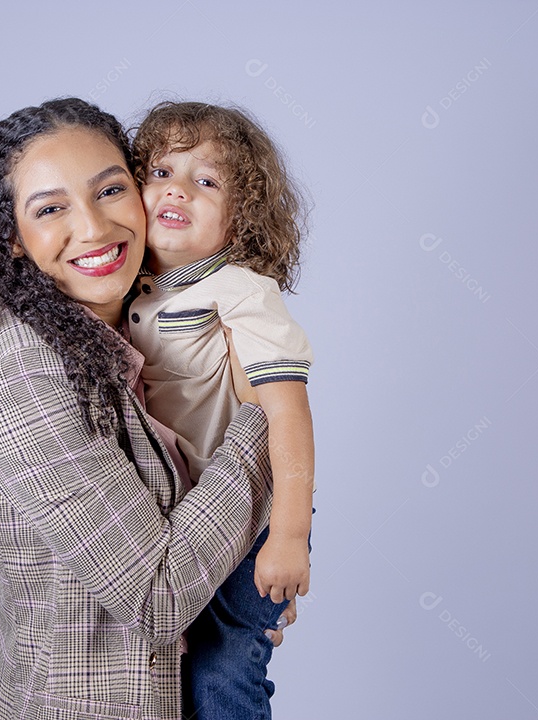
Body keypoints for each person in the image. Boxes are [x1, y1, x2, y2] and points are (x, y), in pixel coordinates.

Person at [0, 97, 292, 720]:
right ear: (14, 240)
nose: (96, 229)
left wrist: (240, 609)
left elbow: (184, 539)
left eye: (110, 191)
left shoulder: (133, 336)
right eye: (50, 209)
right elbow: (158, 596)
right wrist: (259, 409)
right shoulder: (25, 371)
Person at [129, 101, 314, 719]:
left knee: (224, 665)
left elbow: (287, 417)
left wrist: (287, 537)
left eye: (206, 181)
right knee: (173, 674)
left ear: (241, 221)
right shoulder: (130, 287)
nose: (177, 189)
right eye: (160, 172)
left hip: (250, 512)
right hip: (179, 526)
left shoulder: (241, 292)